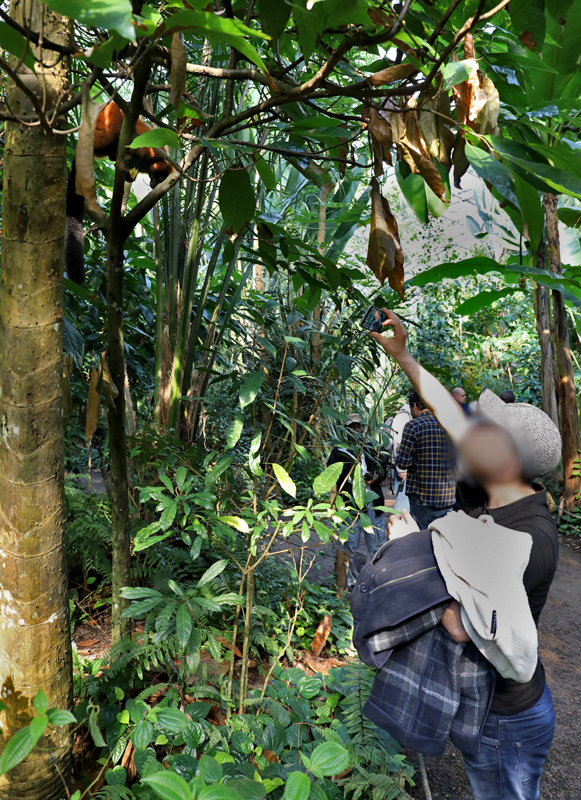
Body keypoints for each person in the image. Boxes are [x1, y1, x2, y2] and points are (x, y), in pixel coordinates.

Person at [369, 308, 561, 800]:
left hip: (507, 719)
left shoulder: (530, 539)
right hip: (494, 708)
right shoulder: (499, 495)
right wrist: (404, 355)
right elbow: (450, 414)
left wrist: (408, 548)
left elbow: (458, 622)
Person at [327, 413, 387, 589]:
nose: (357, 430)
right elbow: (332, 479)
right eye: (352, 427)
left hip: (371, 501)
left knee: (376, 543)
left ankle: (378, 579)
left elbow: (383, 467)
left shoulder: (372, 447)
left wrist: (375, 477)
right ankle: (352, 583)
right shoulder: (339, 452)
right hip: (349, 504)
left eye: (359, 426)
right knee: (350, 544)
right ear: (346, 430)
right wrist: (332, 505)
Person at [395, 390, 456, 530]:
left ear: (415, 406)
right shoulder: (448, 425)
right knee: (445, 537)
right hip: (448, 497)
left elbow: (402, 463)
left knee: (424, 539)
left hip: (422, 498)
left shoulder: (413, 426)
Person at [388, 402, 411, 513]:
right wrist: (402, 469)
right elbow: (398, 443)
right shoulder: (404, 416)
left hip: (401, 467)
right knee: (403, 505)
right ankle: (399, 529)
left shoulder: (407, 414)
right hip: (401, 469)